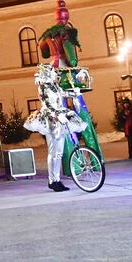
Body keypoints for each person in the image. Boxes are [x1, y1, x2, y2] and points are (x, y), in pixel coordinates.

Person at [25, 64, 87, 192]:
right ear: (47, 73)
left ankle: (55, 180)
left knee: (58, 152)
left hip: (60, 118)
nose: (55, 74)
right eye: (53, 72)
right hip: (52, 120)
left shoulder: (55, 85)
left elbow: (63, 93)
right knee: (55, 152)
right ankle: (53, 180)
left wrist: (74, 93)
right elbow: (48, 105)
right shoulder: (43, 88)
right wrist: (58, 114)